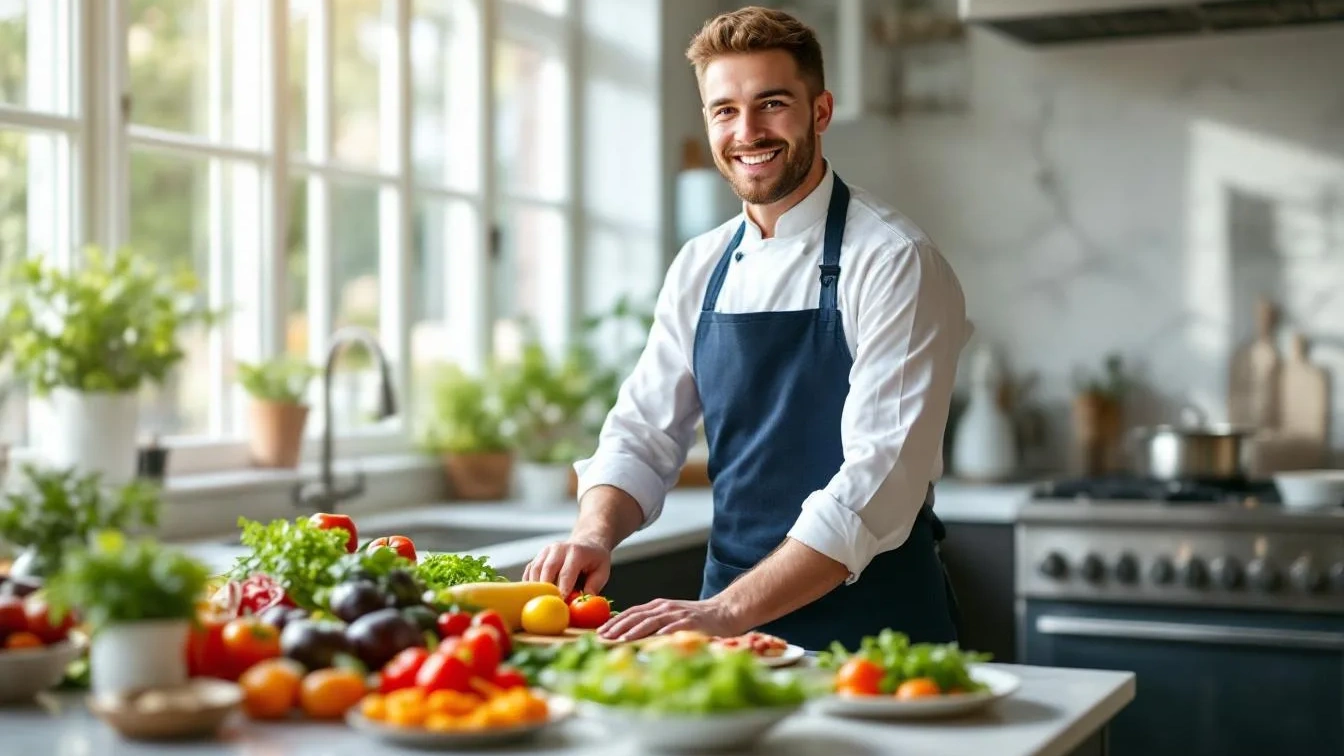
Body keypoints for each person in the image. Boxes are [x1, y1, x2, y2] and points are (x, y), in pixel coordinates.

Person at [523, 5, 970, 652]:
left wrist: (728, 611)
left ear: (820, 111)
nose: (747, 131)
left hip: (874, 634)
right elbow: (643, 433)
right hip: (730, 632)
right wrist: (593, 533)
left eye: (772, 103)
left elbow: (879, 485)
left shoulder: (894, 260)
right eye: (724, 110)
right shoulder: (700, 265)